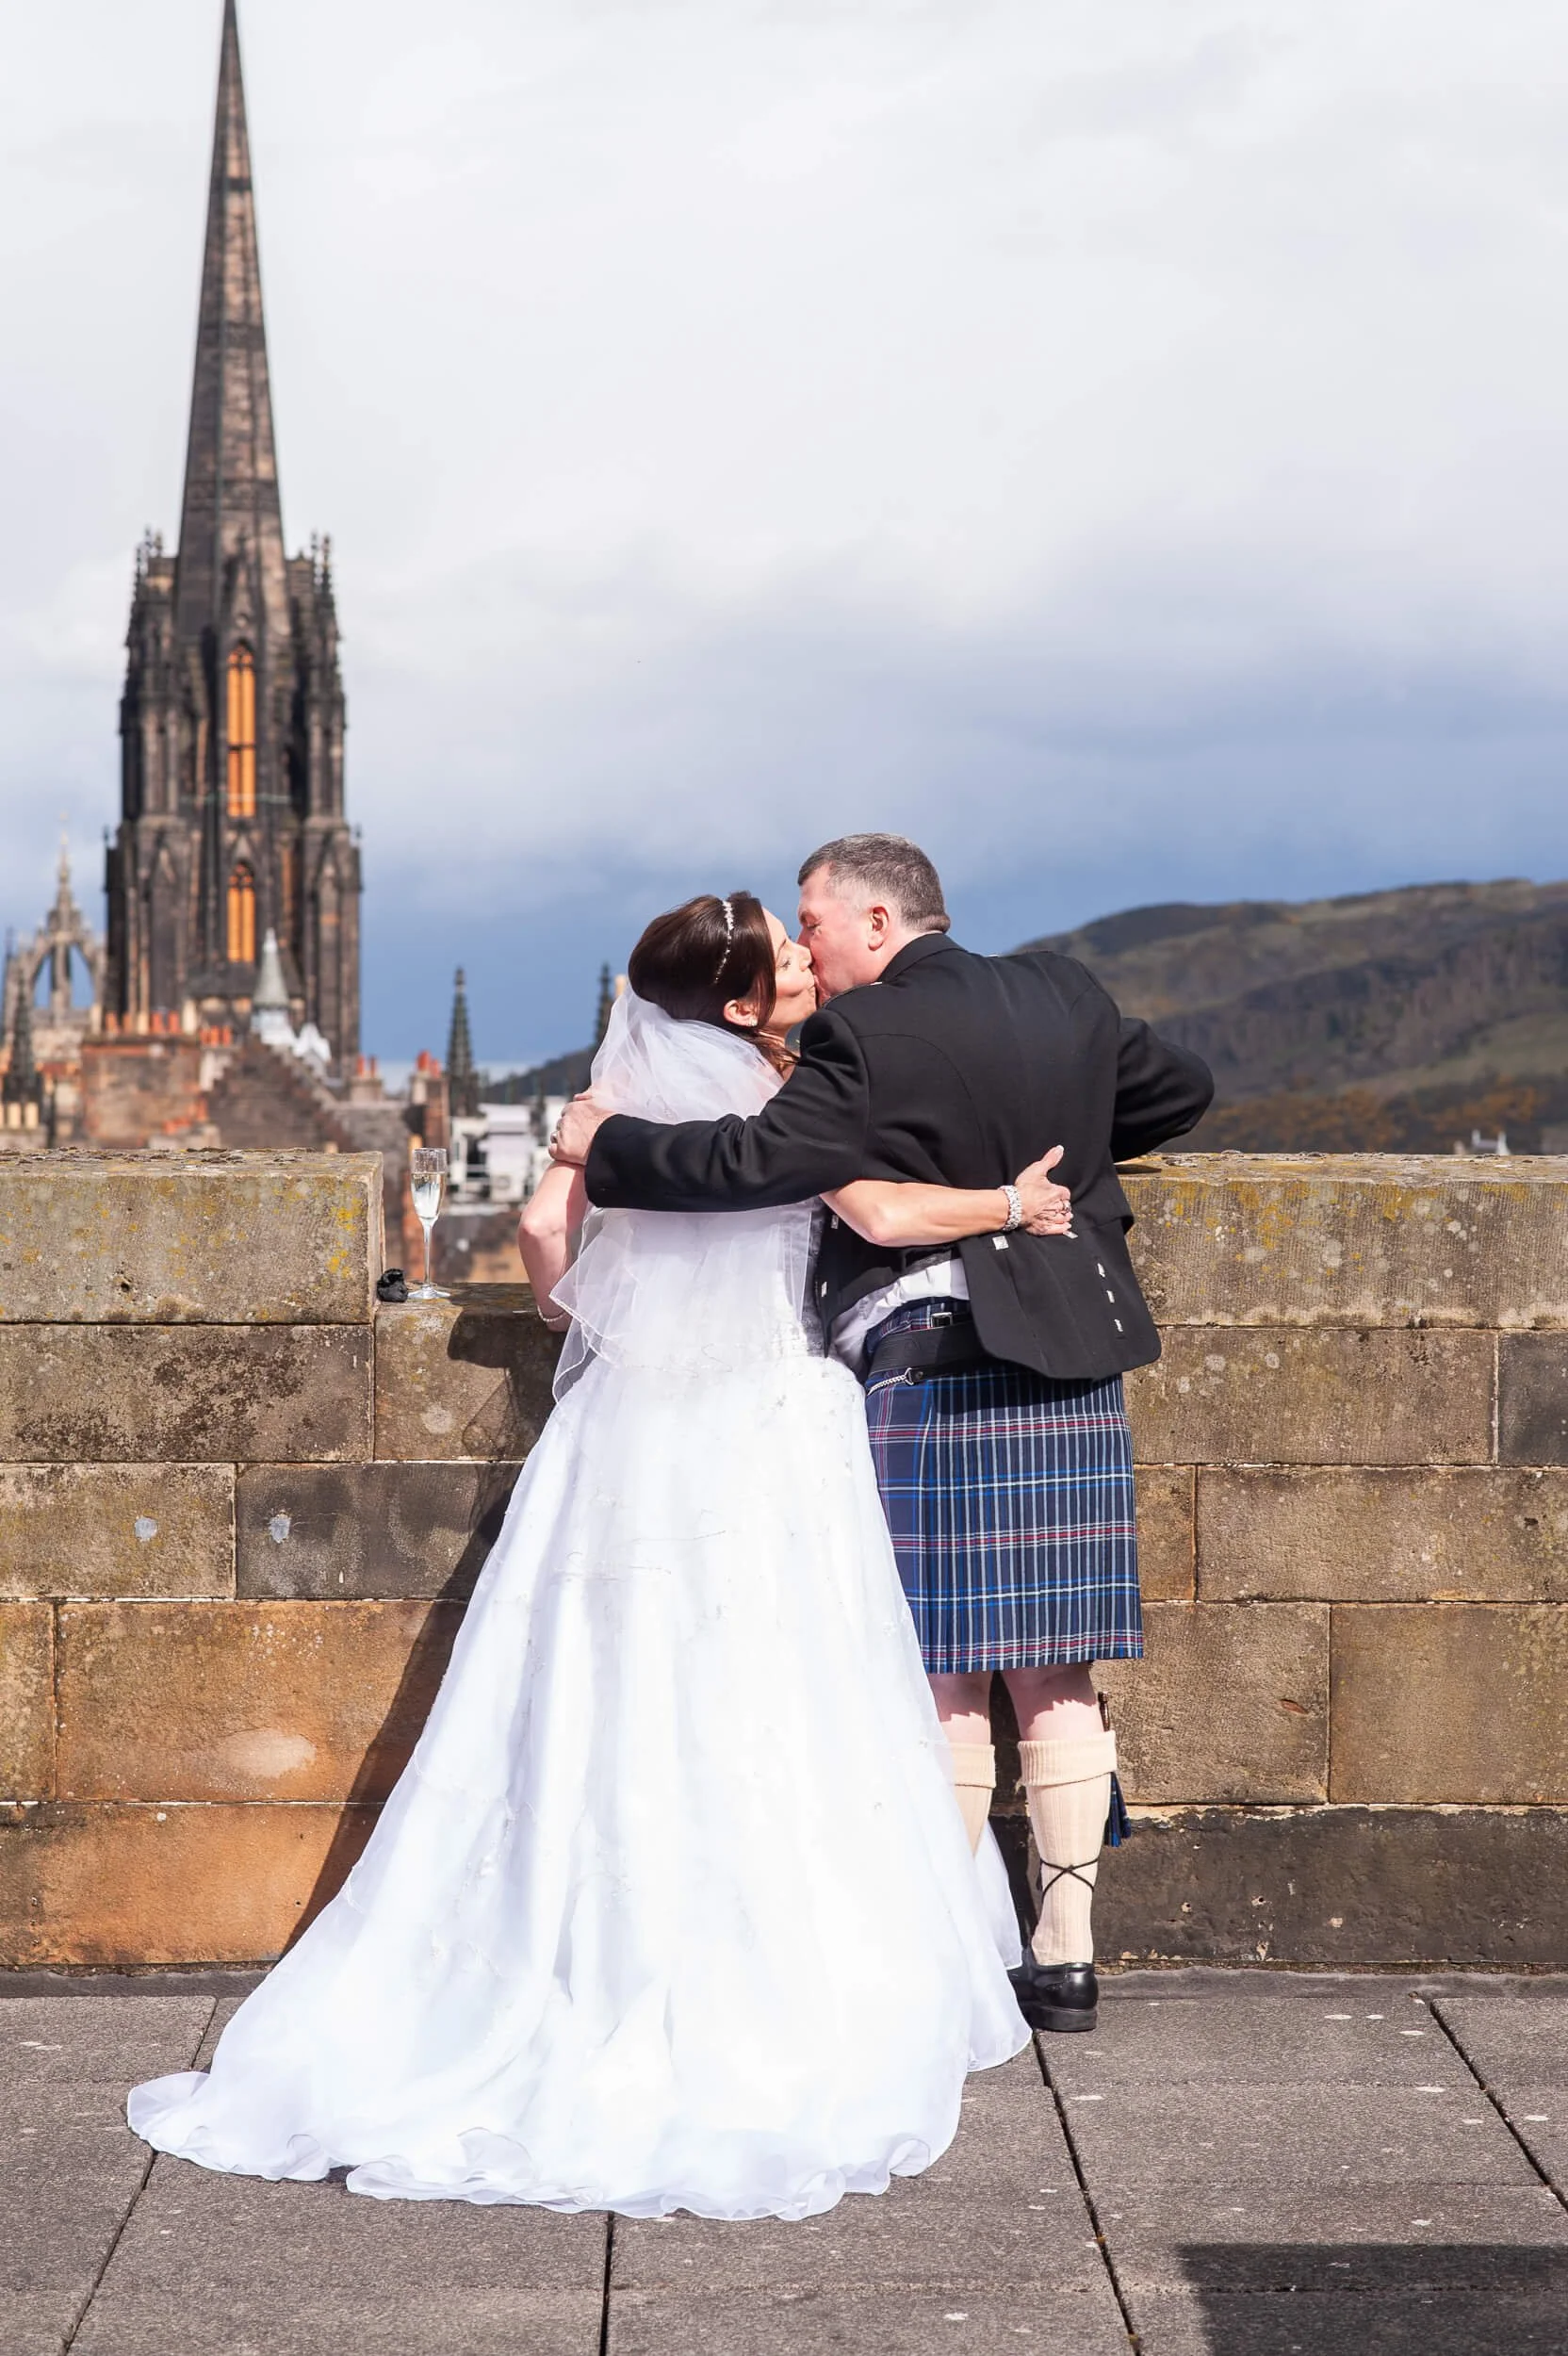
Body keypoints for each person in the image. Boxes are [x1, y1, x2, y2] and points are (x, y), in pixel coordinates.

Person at [129, 890, 1076, 2220]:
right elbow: (873, 1212)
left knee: (593, 1703)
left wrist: (608, 1305)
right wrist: (1006, 1200)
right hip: (769, 1417)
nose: (810, 963)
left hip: (627, 1430)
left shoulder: (614, 1090)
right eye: (787, 956)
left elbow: (539, 1246)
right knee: (776, 1700)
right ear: (744, 1005)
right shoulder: (796, 1098)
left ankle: (573, 1963)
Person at [554, 836, 1215, 2036]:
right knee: (1058, 1665)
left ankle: (944, 1961)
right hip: (1073, 1344)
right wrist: (1044, 1141)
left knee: (948, 1671)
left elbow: (758, 1161)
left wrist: (608, 1146)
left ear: (873, 918)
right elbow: (1177, 1094)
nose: (804, 945)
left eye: (812, 920)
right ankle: (1065, 1958)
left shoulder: (865, 1036)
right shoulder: (1064, 991)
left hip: (936, 1352)